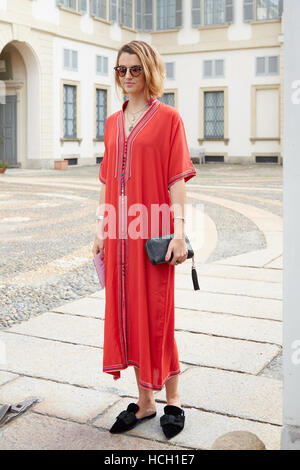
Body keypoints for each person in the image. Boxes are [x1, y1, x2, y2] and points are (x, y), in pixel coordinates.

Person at [92, 40, 197, 439]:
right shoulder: (112, 123)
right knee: (128, 315)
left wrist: (180, 232)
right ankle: (145, 403)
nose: (128, 77)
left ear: (149, 71)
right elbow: (105, 180)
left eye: (135, 69)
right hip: (120, 234)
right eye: (122, 70)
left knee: (157, 317)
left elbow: (176, 180)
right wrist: (102, 228)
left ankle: (173, 401)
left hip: (154, 234)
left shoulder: (169, 118)